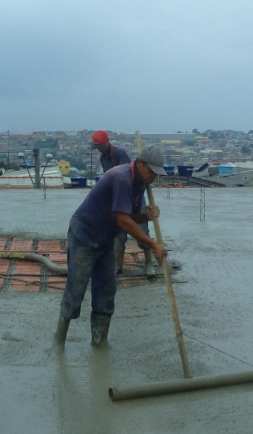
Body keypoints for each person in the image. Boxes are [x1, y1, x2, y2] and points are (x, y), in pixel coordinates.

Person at [54, 145, 168, 350]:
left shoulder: (139, 182)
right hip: (85, 236)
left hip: (105, 239)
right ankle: (59, 342)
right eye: (150, 171)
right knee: (76, 288)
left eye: (156, 174)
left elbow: (130, 217)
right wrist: (153, 245)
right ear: (139, 163)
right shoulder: (122, 178)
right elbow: (123, 221)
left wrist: (146, 216)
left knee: (107, 289)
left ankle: (99, 341)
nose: (153, 177)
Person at [91, 130, 155, 276]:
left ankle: (149, 263)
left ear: (108, 142)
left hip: (134, 197)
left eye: (102, 146)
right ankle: (117, 266)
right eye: (98, 147)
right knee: (118, 235)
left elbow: (129, 176)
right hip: (118, 198)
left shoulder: (120, 153)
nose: (101, 149)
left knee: (141, 231)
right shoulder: (103, 158)